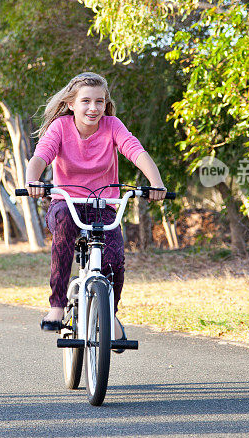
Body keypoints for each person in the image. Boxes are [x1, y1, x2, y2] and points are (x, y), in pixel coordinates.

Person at [25, 72, 167, 339]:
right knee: (65, 225)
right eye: (86, 101)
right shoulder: (60, 127)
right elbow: (41, 155)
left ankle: (109, 314)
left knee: (114, 260)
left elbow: (136, 151)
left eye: (99, 102)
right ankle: (56, 306)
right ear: (71, 103)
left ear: (105, 104)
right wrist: (32, 180)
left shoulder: (112, 125)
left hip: (104, 205)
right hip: (66, 203)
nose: (93, 108)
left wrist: (156, 183)